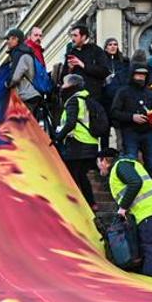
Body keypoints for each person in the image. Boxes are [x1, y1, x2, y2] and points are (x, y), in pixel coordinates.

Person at [97, 147, 152, 276]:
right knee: (143, 249)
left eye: (98, 163)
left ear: (104, 161)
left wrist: (123, 208)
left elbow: (136, 182)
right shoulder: (122, 166)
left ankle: (149, 283)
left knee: (149, 248)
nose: (99, 168)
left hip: (149, 210)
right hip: (146, 211)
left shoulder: (121, 165)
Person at [53, 72, 99, 210]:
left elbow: (71, 123)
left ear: (72, 85)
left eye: (65, 83)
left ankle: (81, 204)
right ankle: (90, 203)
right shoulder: (87, 98)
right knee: (81, 174)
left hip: (78, 143)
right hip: (91, 142)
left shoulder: (73, 100)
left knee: (73, 174)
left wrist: (58, 137)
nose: (62, 86)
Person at [110, 63, 152, 175]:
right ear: (132, 75)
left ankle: (146, 183)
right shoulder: (123, 92)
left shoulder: (150, 93)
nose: (141, 77)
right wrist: (132, 117)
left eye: (143, 75)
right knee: (131, 161)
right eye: (138, 74)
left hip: (149, 131)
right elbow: (114, 112)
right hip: (130, 131)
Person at [64, 23, 109, 100]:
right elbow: (64, 77)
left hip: (93, 96)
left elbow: (104, 71)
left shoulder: (96, 50)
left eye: (75, 35)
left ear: (83, 37)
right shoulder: (71, 53)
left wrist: (82, 65)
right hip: (75, 96)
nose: (72, 38)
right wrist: (69, 69)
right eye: (71, 35)